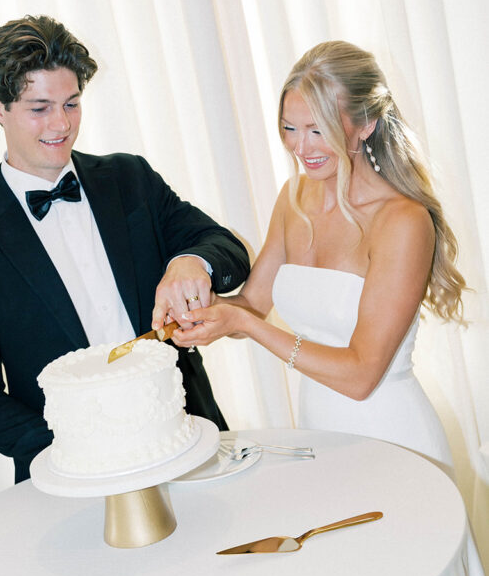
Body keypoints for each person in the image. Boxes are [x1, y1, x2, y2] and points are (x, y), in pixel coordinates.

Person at [0, 14, 250, 482]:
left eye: (72, 103)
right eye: (39, 108)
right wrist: (65, 446)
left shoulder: (130, 179)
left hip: (187, 440)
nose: (61, 124)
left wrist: (191, 261)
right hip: (70, 473)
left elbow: (227, 249)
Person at [175, 40, 466, 469]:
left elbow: (362, 375)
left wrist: (246, 326)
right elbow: (253, 306)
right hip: (318, 435)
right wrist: (204, 307)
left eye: (318, 129)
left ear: (365, 123)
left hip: (394, 440)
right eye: (290, 128)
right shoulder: (293, 198)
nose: (301, 147)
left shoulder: (402, 220)